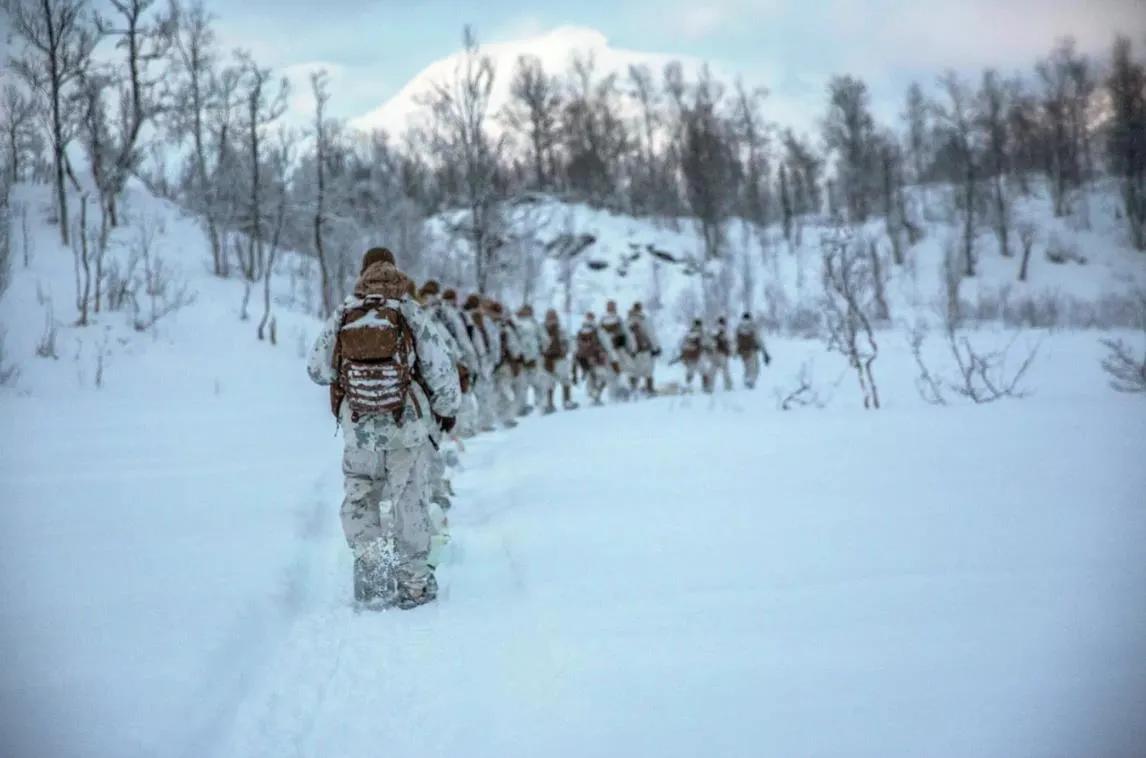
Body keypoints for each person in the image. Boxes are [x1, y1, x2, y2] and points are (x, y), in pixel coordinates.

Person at [307, 252, 460, 610]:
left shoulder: (346, 312)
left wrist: (352, 378)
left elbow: (316, 369)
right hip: (404, 427)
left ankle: (375, 577)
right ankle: (414, 585)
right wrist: (446, 411)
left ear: (363, 274)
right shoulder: (408, 310)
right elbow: (441, 371)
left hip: (358, 429)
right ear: (397, 273)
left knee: (361, 498)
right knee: (410, 501)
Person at [463, 293, 498, 433]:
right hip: (478, 360)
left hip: (476, 360)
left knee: (474, 394)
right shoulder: (477, 319)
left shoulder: (466, 317)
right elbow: (490, 341)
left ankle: (477, 424)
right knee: (479, 394)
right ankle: (479, 423)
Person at [486, 299, 521, 429]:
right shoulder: (500, 327)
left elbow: (514, 347)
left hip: (500, 364)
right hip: (494, 364)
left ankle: (505, 418)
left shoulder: (501, 328)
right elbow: (515, 348)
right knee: (497, 392)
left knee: (503, 391)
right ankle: (499, 418)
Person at [574, 312, 617, 405]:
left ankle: (594, 396)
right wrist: (613, 358)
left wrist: (577, 361)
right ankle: (596, 397)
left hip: (585, 360)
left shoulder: (580, 331)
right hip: (598, 358)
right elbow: (607, 344)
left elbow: (575, 347)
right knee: (603, 377)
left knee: (591, 378)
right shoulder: (598, 330)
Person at [540, 308, 578, 413]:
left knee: (565, 379)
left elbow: (569, 341)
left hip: (561, 358)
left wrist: (570, 350)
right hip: (547, 360)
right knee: (548, 382)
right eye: (550, 317)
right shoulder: (541, 330)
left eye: (553, 316)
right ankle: (549, 404)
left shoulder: (562, 329)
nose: (552, 319)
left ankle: (567, 401)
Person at [598, 300, 634, 401]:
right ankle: (626, 393)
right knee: (626, 370)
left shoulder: (602, 321)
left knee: (611, 376)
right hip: (620, 350)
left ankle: (613, 397)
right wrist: (631, 348)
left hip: (608, 353)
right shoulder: (618, 319)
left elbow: (599, 337)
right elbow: (628, 334)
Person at [513, 304, 546, 415]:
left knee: (532, 383)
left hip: (529, 357)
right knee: (525, 384)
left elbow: (544, 339)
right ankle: (528, 406)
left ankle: (538, 404)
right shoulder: (520, 323)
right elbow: (545, 339)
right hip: (525, 358)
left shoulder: (532, 323)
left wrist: (541, 349)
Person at [626, 302, 661, 396]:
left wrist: (630, 350)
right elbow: (651, 334)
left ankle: (633, 390)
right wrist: (656, 348)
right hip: (645, 349)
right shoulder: (644, 319)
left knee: (634, 371)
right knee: (648, 371)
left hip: (633, 352)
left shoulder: (627, 321)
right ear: (640, 309)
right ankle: (649, 390)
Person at [735, 312, 771, 389]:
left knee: (747, 367)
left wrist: (735, 352)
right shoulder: (753, 327)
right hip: (752, 351)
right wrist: (765, 352)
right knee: (755, 368)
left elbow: (735, 341)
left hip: (742, 352)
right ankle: (750, 383)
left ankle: (746, 381)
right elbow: (759, 340)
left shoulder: (739, 327)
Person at [678, 318, 710, 392]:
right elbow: (707, 343)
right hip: (699, 355)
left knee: (690, 371)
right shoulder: (702, 333)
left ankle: (688, 386)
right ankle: (706, 387)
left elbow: (683, 344)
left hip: (690, 356)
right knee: (703, 371)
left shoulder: (689, 333)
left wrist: (684, 354)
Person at [709, 316, 734, 391]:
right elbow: (731, 343)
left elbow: (711, 343)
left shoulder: (715, 331)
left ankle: (710, 387)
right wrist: (731, 352)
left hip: (717, 354)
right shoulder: (726, 332)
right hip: (721, 354)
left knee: (713, 371)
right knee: (725, 371)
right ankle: (728, 386)